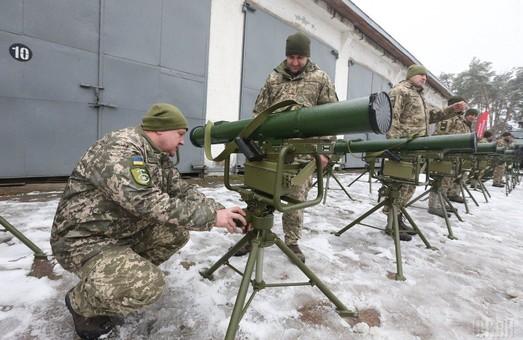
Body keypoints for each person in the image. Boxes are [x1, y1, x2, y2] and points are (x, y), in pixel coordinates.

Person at [51, 103, 247, 339]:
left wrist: (224, 212)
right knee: (148, 286)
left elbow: (181, 191)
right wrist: (212, 218)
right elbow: (146, 202)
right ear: (160, 131)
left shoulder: (157, 155)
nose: (183, 141)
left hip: (119, 233)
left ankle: (113, 280)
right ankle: (81, 303)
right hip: (84, 241)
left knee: (175, 233)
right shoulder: (121, 148)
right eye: (180, 134)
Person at [235, 31, 337, 262]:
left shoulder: (320, 79)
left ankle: (292, 243)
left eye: (300, 57)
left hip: (302, 154)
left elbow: (333, 117)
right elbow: (258, 114)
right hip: (270, 150)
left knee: (295, 200)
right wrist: (253, 147)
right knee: (257, 195)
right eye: (291, 56)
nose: (294, 62)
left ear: (307, 57)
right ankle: (252, 235)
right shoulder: (273, 78)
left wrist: (326, 153)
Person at [386, 65, 467, 241]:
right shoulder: (400, 91)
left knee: (410, 186)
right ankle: (392, 224)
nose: (424, 78)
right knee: (400, 185)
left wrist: (452, 109)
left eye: (426, 76)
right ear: (411, 76)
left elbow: (433, 116)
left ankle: (398, 218)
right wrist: (394, 145)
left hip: (415, 148)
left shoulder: (419, 96)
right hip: (403, 147)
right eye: (421, 75)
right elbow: (392, 118)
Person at [427, 103, 477, 216]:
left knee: (447, 181)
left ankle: (441, 203)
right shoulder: (450, 118)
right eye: (461, 104)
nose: (464, 107)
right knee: (440, 181)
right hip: (446, 155)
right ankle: (434, 205)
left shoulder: (462, 121)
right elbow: (440, 134)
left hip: (454, 156)